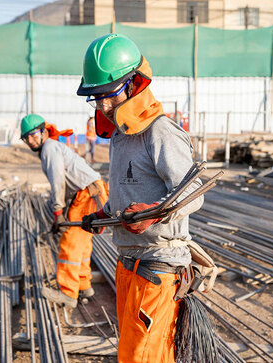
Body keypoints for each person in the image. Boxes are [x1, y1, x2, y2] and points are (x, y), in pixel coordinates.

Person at [76, 34, 203, 363]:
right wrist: (102, 215)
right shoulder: (120, 136)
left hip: (158, 265)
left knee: (142, 356)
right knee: (133, 353)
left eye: (107, 95)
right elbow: (126, 192)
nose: (102, 105)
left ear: (133, 84)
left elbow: (193, 193)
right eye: (96, 98)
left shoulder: (160, 132)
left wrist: (156, 212)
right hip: (127, 263)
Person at [19, 113, 108, 308]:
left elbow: (58, 181)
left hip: (88, 193)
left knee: (71, 242)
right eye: (27, 138)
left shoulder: (49, 148)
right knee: (83, 244)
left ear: (43, 131)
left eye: (34, 134)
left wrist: (58, 212)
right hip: (91, 191)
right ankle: (84, 286)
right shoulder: (51, 148)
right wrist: (60, 212)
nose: (31, 140)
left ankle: (68, 293)